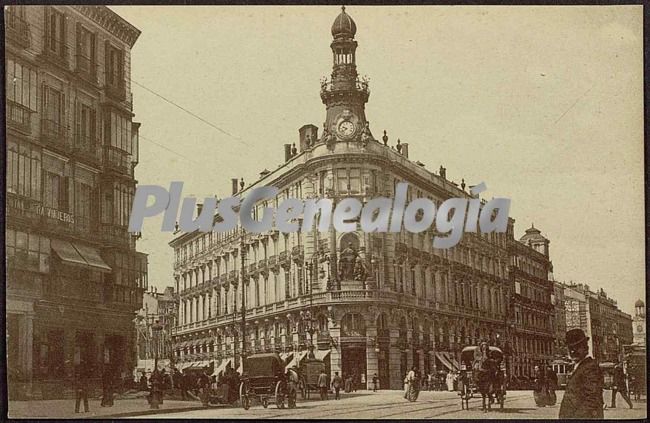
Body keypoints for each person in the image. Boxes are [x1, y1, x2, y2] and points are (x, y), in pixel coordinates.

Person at [559, 328, 604, 419]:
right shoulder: (581, 366)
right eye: (570, 348)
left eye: (577, 347)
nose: (572, 351)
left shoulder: (590, 367)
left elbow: (592, 400)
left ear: (585, 347)